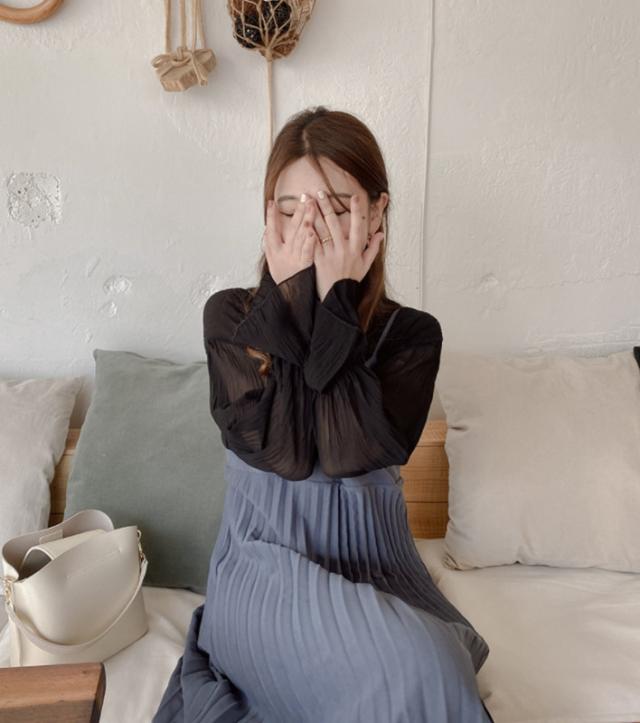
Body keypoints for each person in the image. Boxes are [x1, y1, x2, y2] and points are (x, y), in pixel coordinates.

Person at [152, 106, 495, 723]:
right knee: (416, 670)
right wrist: (291, 303)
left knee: (432, 664)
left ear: (377, 213)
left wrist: (335, 299)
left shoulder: (411, 335)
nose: (311, 229)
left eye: (335, 207)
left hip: (377, 566)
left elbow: (346, 455)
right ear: (269, 215)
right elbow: (284, 455)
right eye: (292, 210)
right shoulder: (231, 317)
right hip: (262, 567)